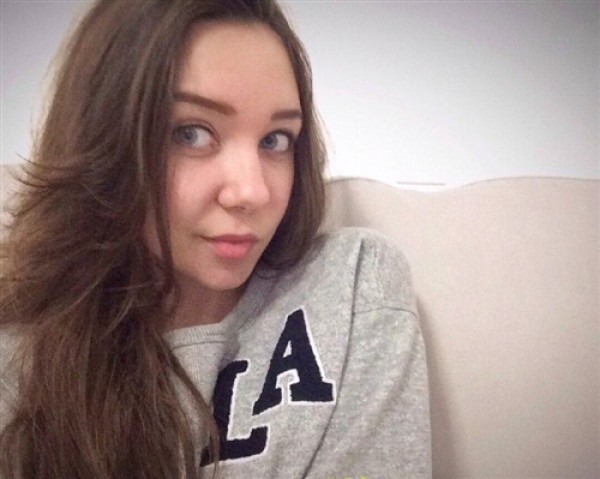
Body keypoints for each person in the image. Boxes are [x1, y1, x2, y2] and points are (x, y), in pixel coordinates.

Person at [0, 0, 431, 478]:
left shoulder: (352, 287)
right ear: (105, 139)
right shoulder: (21, 359)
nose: (252, 193)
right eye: (192, 133)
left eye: (275, 140)